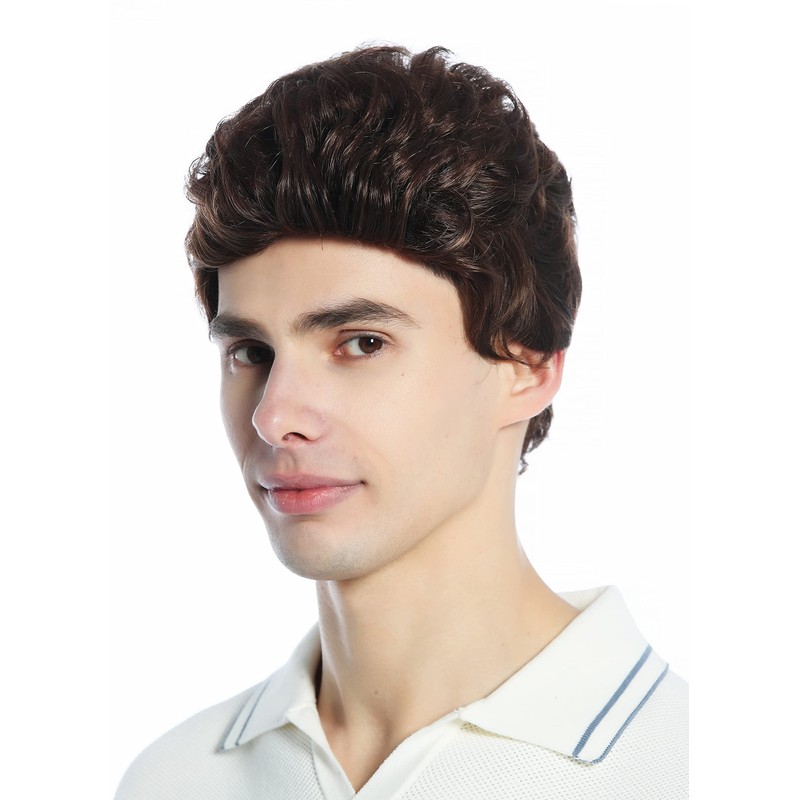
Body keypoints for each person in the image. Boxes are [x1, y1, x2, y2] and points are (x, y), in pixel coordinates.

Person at [115, 45, 688, 799]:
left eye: (361, 344)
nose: (275, 416)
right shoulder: (174, 779)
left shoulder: (691, 765)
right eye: (251, 352)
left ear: (527, 366)